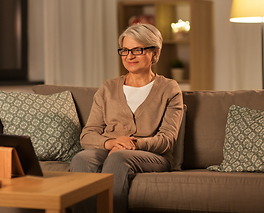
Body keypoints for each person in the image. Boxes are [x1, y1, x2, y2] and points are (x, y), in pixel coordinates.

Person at [70, 23, 184, 213]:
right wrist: (112, 143)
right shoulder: (107, 88)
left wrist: (133, 144)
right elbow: (88, 135)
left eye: (137, 50)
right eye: (125, 50)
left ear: (155, 53)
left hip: (152, 156)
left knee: (120, 158)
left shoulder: (169, 89)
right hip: (111, 149)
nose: (129, 56)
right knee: (82, 159)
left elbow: (167, 140)